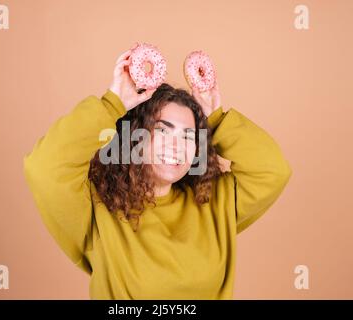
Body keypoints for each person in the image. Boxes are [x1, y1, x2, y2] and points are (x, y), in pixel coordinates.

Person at [23, 46, 292, 299]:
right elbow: (46, 166)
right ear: (135, 137)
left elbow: (272, 170)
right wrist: (111, 104)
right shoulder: (97, 208)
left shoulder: (214, 200)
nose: (177, 146)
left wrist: (217, 119)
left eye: (189, 136)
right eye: (162, 130)